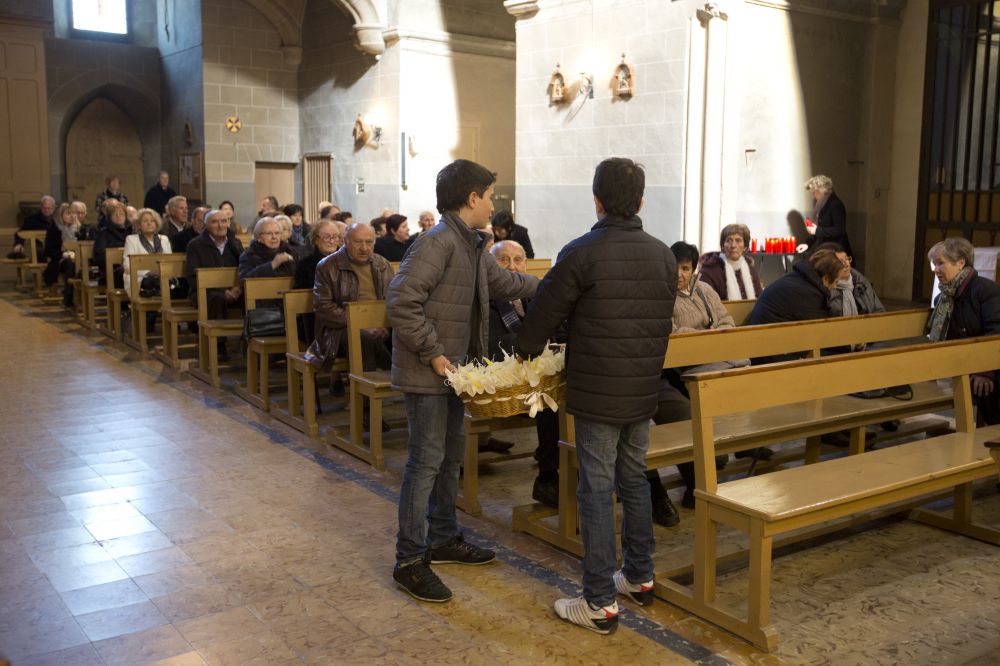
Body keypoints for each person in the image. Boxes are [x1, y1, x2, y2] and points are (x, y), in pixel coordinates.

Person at [517, 157, 676, 634]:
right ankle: (640, 577)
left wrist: (524, 353)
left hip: (598, 389)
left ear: (597, 200)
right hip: (642, 386)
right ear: (642, 201)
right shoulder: (663, 254)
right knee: (634, 479)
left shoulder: (582, 251)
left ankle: (599, 601)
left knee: (596, 488)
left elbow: (543, 314)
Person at [388, 159, 538, 603]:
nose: (494, 204)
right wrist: (433, 353)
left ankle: (443, 537)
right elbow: (400, 301)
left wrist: (553, 283)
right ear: (472, 198)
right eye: (490, 196)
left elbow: (504, 280)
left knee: (450, 456)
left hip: (457, 375)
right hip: (428, 373)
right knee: (425, 463)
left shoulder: (470, 244)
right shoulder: (436, 243)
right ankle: (410, 560)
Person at [648, 241, 739, 521]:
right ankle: (696, 481)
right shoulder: (658, 295)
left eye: (685, 268)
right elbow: (671, 333)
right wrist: (705, 334)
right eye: (674, 267)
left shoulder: (705, 290)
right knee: (685, 417)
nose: (679, 274)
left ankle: (712, 465)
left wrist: (707, 336)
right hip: (671, 372)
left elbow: (727, 323)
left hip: (708, 363)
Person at [487, 240, 560, 505]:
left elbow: (555, 329)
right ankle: (548, 476)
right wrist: (537, 345)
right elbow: (491, 345)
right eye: (504, 260)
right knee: (549, 397)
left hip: (532, 373)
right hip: (497, 376)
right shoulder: (484, 297)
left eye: (518, 260)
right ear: (491, 266)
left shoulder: (532, 295)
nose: (512, 266)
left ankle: (562, 463)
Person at [927, 237, 1000, 424]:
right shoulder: (943, 300)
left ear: (960, 263)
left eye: (940, 263)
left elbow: (996, 332)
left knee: (986, 391)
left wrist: (985, 371)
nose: (936, 270)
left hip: (993, 366)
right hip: (968, 367)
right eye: (934, 264)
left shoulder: (985, 291)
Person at [306, 222, 394, 375]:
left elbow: (393, 300)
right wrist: (360, 324)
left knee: (411, 332)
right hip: (339, 329)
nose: (364, 248)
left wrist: (385, 325)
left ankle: (409, 389)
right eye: (358, 242)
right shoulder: (328, 266)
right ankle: (365, 395)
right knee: (364, 339)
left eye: (369, 242)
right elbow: (323, 307)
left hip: (380, 325)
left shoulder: (383, 264)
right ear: (346, 241)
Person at [185, 209, 245, 361]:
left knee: (254, 296)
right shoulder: (195, 245)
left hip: (235, 290)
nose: (220, 225)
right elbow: (193, 277)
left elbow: (244, 268)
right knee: (216, 298)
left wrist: (238, 288)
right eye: (215, 222)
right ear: (206, 225)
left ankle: (250, 343)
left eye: (224, 221)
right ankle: (218, 346)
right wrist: (223, 291)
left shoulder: (235, 243)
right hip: (204, 291)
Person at [747, 248, 843, 328]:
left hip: (765, 336)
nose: (835, 286)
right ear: (825, 278)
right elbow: (821, 331)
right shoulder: (809, 293)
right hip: (767, 344)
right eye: (836, 282)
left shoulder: (800, 278)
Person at [816, 242, 885, 319]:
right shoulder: (823, 287)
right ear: (827, 266)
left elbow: (879, 310)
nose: (847, 264)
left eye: (847, 259)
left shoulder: (861, 282)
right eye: (840, 262)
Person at [698, 223, 763, 301]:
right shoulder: (709, 271)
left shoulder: (750, 270)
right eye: (728, 240)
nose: (733, 245)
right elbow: (706, 303)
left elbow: (760, 299)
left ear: (745, 247)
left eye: (738, 240)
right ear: (722, 246)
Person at [122, 208, 172, 299]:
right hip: (139, 278)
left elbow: (170, 262)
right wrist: (149, 272)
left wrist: (161, 271)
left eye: (152, 221)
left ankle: (161, 308)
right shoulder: (131, 240)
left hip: (162, 276)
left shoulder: (164, 239)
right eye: (145, 221)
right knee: (156, 283)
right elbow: (127, 265)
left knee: (169, 282)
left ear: (156, 224)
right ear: (139, 225)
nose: (149, 223)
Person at [805, 174, 853, 258]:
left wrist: (817, 230)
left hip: (837, 251)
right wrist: (807, 245)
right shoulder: (821, 203)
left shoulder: (835, 205)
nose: (813, 196)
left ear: (821, 190)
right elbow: (819, 229)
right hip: (827, 249)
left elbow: (839, 230)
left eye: (814, 193)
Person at [42, 203, 80, 305]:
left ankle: (84, 297)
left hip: (79, 258)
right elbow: (48, 251)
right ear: (61, 215)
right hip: (60, 261)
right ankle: (68, 297)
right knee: (69, 264)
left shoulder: (79, 229)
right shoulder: (54, 230)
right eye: (68, 213)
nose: (72, 216)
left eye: (74, 213)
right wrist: (63, 254)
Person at [294, 220, 343, 290]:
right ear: (316, 240)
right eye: (326, 237)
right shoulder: (305, 265)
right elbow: (300, 293)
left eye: (334, 237)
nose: (331, 241)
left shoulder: (346, 260)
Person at [93, 201, 132, 287]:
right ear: (109, 217)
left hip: (129, 268)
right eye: (115, 214)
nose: (118, 216)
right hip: (110, 272)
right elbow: (99, 257)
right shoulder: (103, 234)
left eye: (121, 214)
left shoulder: (130, 233)